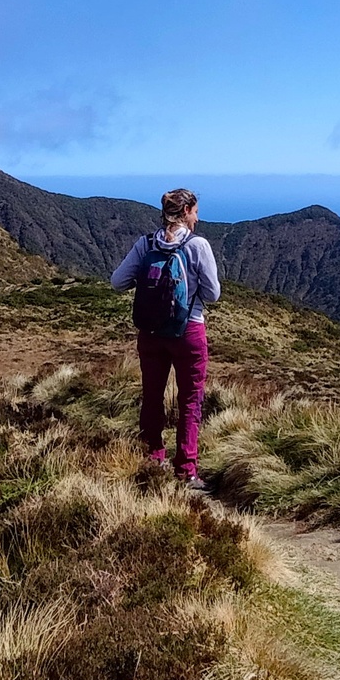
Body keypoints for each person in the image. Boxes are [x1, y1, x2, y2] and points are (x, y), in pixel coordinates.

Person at [110, 188, 221, 490]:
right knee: (190, 401)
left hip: (150, 334)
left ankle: (152, 458)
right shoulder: (198, 246)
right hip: (189, 332)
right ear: (186, 212)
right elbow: (213, 294)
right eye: (196, 211)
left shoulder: (146, 244)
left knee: (152, 396)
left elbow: (117, 282)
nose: (198, 217)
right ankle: (186, 470)